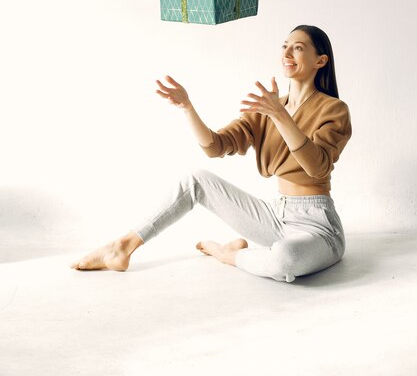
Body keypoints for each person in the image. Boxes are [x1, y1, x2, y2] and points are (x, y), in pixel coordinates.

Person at [71, 24, 352, 283]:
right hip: (275, 217)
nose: (287, 53)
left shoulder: (333, 109)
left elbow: (318, 167)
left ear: (320, 60)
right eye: (284, 46)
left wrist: (281, 116)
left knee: (285, 259)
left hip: (317, 226)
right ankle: (123, 246)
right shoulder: (269, 107)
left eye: (298, 47)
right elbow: (215, 146)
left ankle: (226, 254)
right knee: (196, 181)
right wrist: (187, 107)